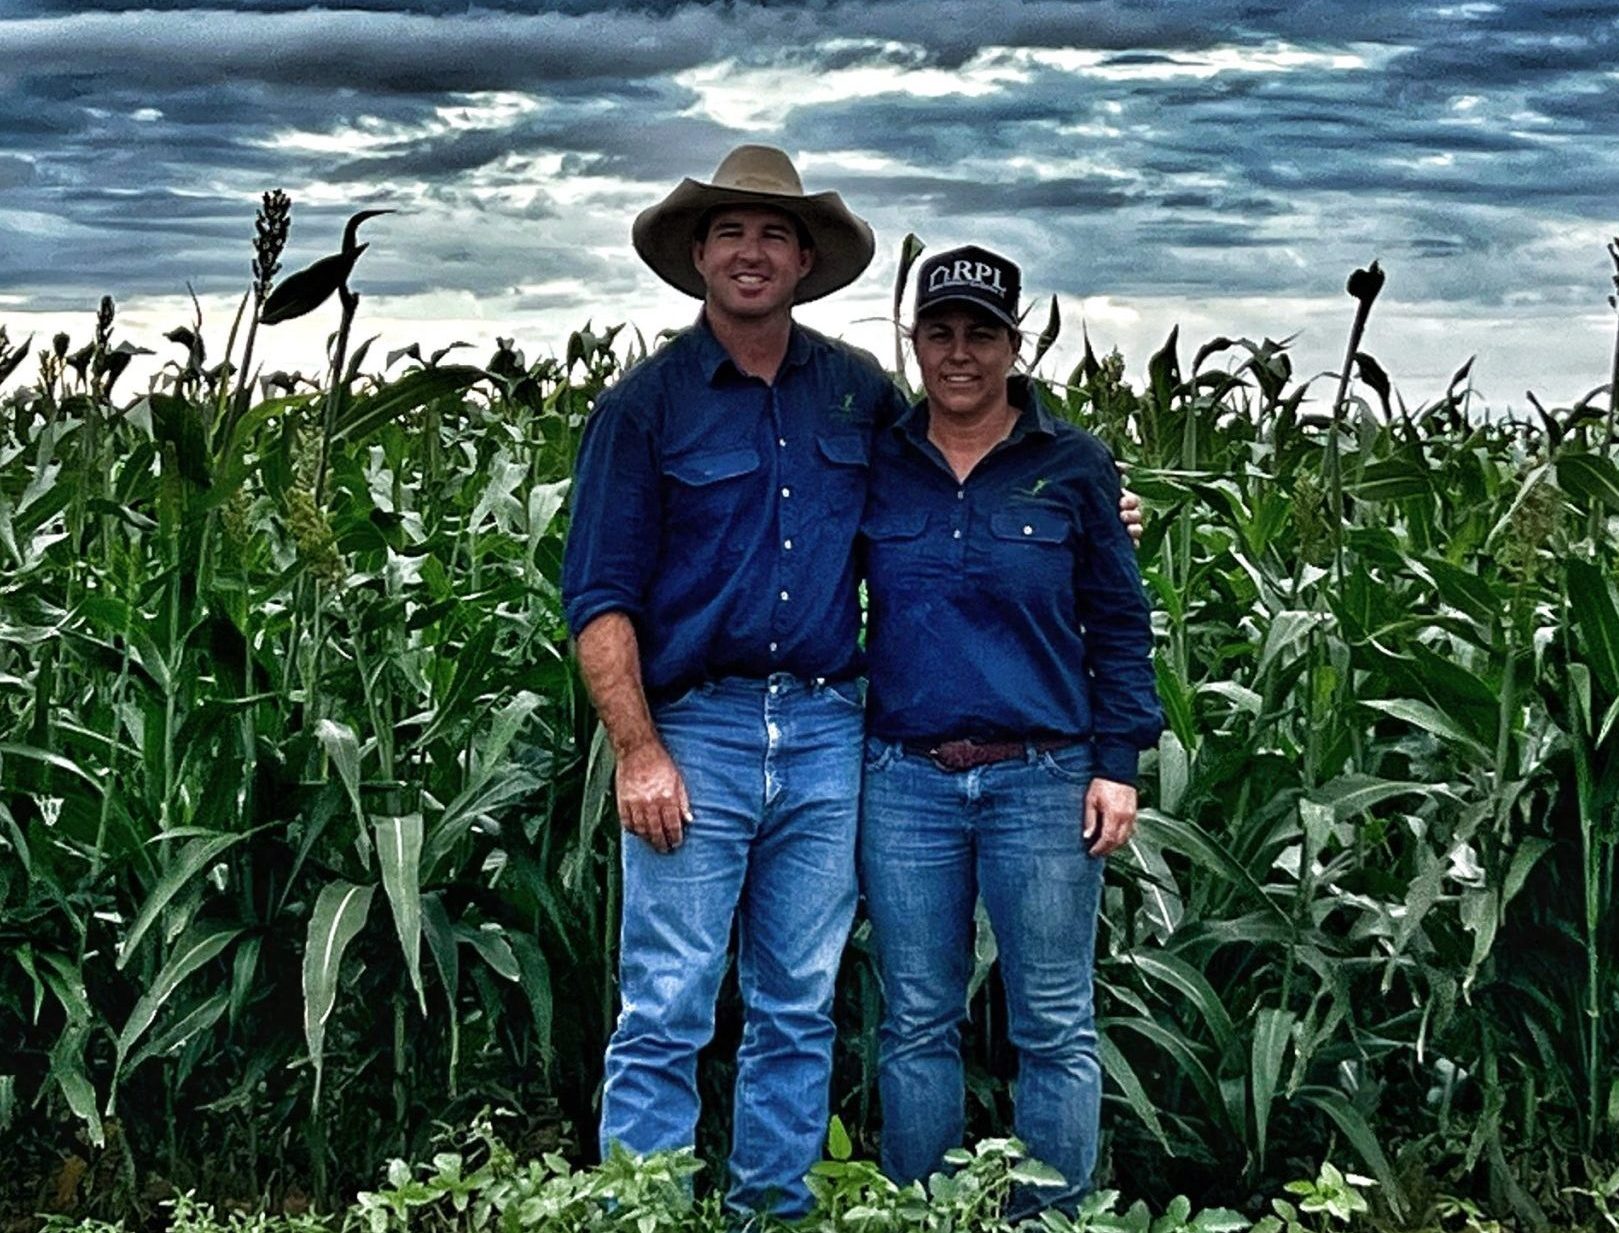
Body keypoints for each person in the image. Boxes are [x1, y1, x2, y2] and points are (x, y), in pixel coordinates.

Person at [561, 144, 904, 1217]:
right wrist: (637, 751)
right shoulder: (646, 408)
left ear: (803, 261)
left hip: (822, 730)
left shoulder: (859, 396)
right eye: (729, 233)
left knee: (798, 1004)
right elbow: (598, 598)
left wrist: (1087, 513)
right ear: (699, 256)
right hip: (694, 734)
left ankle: (771, 1211)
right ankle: (641, 1211)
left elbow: (953, 504)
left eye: (772, 235)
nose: (750, 253)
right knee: (665, 1005)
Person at [856, 244, 1164, 1214]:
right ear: (913, 344)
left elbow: (1118, 623)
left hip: (1041, 779)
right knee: (913, 1023)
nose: (958, 354)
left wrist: (1115, 765)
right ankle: (925, 1212)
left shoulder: (1072, 466)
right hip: (904, 781)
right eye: (939, 333)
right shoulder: (877, 464)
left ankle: (1052, 1217)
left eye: (979, 335)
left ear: (1012, 344)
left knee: (1053, 1025)